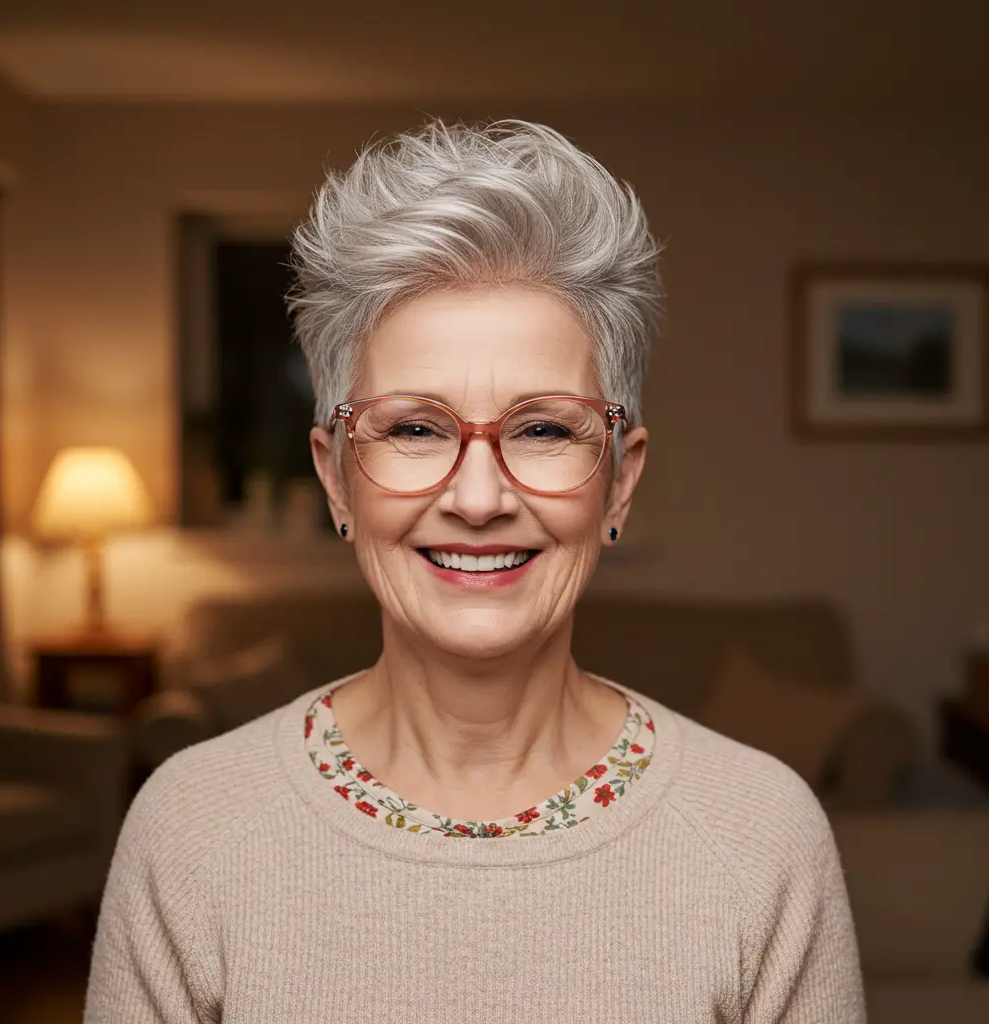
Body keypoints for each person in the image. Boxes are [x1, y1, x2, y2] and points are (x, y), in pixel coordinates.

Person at [84, 120, 865, 1022]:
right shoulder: (190, 827)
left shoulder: (762, 835)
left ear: (620, 482)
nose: (481, 497)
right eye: (415, 428)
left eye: (543, 429)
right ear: (337, 475)